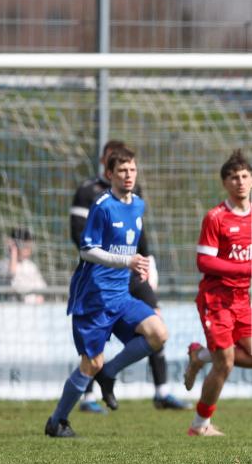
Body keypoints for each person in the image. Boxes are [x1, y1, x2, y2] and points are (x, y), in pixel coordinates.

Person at [46, 147, 170, 437]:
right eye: (122, 171)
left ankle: (110, 373)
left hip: (121, 295)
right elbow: (88, 250)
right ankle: (57, 421)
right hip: (94, 298)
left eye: (132, 170)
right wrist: (126, 261)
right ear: (110, 175)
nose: (128, 176)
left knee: (158, 333)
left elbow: (130, 245)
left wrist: (138, 266)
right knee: (90, 364)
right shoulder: (102, 206)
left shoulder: (138, 205)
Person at [70, 140, 188, 412]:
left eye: (130, 167)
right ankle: (88, 397)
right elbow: (79, 234)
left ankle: (161, 391)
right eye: (118, 165)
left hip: (134, 272)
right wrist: (106, 263)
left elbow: (138, 234)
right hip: (102, 275)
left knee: (156, 321)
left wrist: (150, 262)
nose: (126, 172)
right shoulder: (89, 192)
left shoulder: (135, 195)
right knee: (96, 340)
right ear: (106, 165)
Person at [183, 149, 252, 437]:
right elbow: (204, 261)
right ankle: (199, 425)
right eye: (233, 177)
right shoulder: (215, 218)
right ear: (225, 184)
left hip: (242, 301)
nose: (240, 182)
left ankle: (200, 356)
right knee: (226, 363)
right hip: (215, 301)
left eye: (244, 176)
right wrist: (246, 270)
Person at [0, 227, 47, 304]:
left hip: (34, 309)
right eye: (26, 247)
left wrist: (38, 301)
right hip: (14, 309)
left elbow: (41, 289)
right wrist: (13, 252)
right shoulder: (3, 264)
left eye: (30, 247)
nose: (29, 250)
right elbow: (11, 277)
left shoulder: (31, 266)